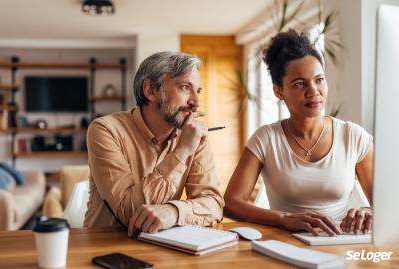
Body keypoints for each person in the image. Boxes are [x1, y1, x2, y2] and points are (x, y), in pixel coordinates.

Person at [224, 29, 374, 236]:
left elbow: (385, 203)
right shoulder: (266, 139)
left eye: (319, 79)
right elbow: (231, 203)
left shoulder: (353, 136)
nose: (313, 91)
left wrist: (367, 211)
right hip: (283, 243)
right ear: (279, 91)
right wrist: (284, 219)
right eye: (299, 83)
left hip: (339, 241)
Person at [84, 51, 224, 236]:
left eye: (197, 91)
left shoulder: (194, 135)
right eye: (184, 87)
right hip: (105, 247)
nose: (196, 102)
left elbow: (213, 203)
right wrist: (182, 150)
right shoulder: (105, 129)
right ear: (150, 90)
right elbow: (129, 213)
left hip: (165, 246)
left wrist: (174, 212)